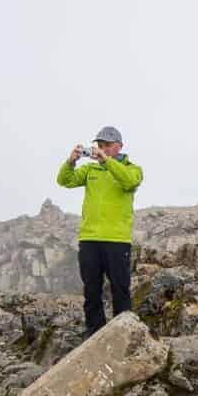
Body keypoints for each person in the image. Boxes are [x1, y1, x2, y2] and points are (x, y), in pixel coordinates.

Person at [56, 125, 143, 333]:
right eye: (100, 145)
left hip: (117, 240)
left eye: (107, 145)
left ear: (119, 146)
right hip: (89, 239)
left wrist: (107, 161)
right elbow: (64, 181)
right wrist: (71, 161)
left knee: (120, 290)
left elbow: (129, 182)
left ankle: (124, 333)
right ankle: (94, 333)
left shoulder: (132, 169)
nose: (102, 148)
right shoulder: (89, 170)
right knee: (91, 291)